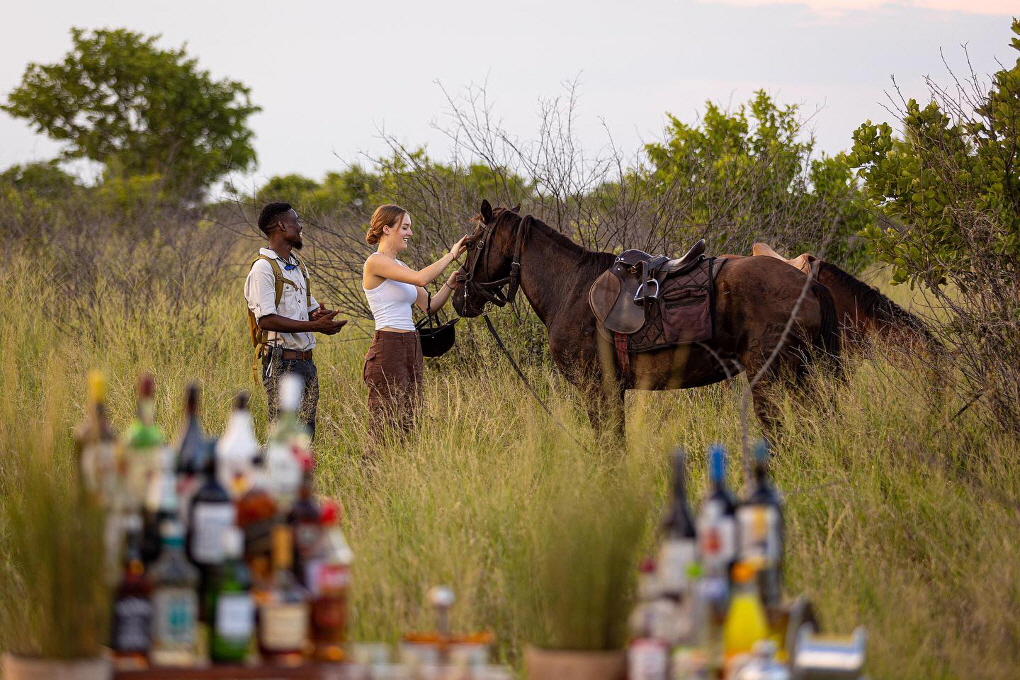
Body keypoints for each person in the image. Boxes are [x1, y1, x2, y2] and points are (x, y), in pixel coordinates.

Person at [362, 204, 467, 442]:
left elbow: (429, 306)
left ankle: (401, 473)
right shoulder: (375, 262)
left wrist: (450, 284)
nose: (410, 233)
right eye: (405, 227)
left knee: (409, 419)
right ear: (387, 229)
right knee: (384, 422)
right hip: (388, 346)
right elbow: (421, 278)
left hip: (412, 344)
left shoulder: (401, 267)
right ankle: (373, 472)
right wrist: (451, 256)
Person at [245, 202, 347, 439]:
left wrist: (322, 319)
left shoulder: (298, 266)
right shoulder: (263, 268)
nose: (300, 226)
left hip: (306, 362)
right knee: (284, 435)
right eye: (296, 221)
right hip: (282, 363)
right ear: (281, 225)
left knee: (305, 434)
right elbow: (267, 320)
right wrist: (315, 326)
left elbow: (308, 310)